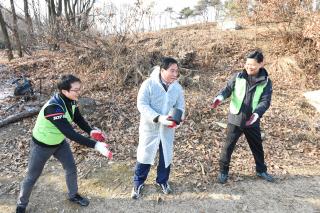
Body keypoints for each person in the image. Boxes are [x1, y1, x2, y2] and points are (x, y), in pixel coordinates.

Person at [16, 74, 112, 213]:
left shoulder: (71, 100)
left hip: (59, 142)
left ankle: (73, 195)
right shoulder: (53, 108)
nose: (79, 92)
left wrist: (90, 131)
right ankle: (21, 204)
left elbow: (78, 118)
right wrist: (96, 145)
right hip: (41, 145)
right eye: (76, 90)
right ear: (65, 91)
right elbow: (70, 133)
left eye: (79, 89)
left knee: (71, 168)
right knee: (32, 176)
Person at [211, 50, 274, 184]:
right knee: (228, 146)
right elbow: (227, 89)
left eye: (252, 65)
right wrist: (220, 98)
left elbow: (265, 101)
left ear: (261, 64)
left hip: (252, 120)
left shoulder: (266, 82)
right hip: (236, 117)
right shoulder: (238, 76)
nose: (249, 67)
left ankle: (261, 170)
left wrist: (257, 114)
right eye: (247, 64)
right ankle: (223, 171)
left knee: (257, 146)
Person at [131, 57, 185, 199]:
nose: (175, 74)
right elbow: (141, 104)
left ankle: (162, 181)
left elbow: (180, 106)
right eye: (172, 71)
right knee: (145, 154)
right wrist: (159, 118)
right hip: (150, 127)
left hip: (167, 129)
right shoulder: (149, 84)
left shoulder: (177, 87)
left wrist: (179, 117)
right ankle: (138, 183)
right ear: (162, 70)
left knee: (166, 156)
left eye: (177, 71)